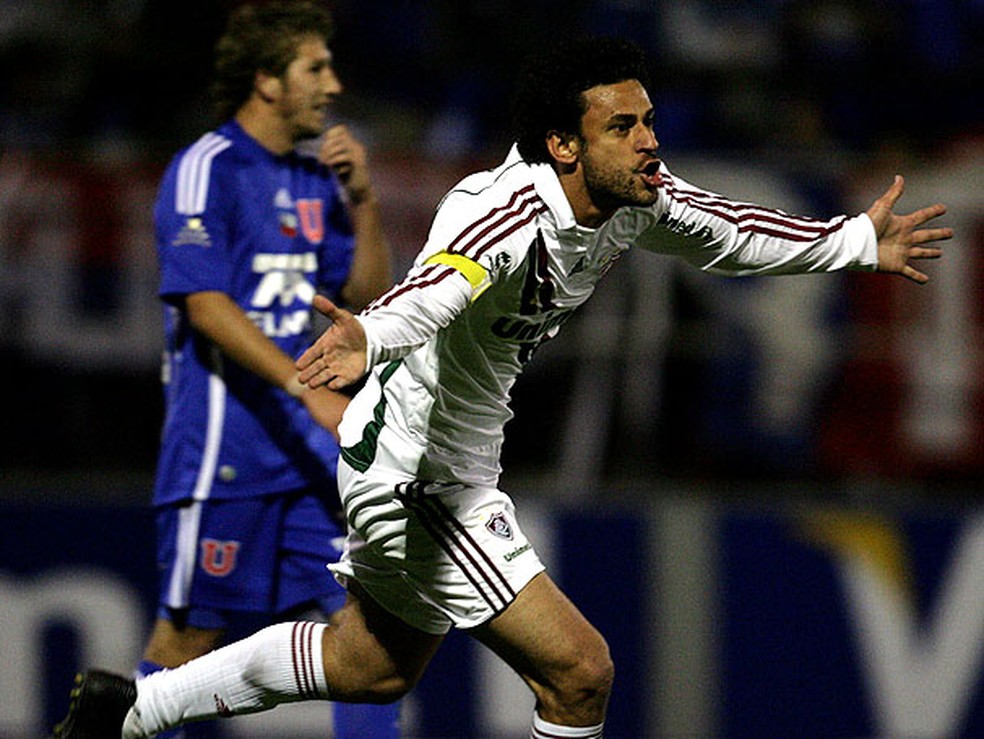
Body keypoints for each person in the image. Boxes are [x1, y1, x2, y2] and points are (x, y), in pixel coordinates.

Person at [55, 35, 952, 739]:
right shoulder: (504, 215)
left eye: (648, 121)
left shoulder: (633, 194)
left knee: (369, 666)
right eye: (623, 128)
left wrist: (856, 243)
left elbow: (724, 230)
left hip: (425, 454)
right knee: (581, 670)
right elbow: (434, 285)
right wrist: (369, 332)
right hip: (420, 476)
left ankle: (131, 710)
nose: (649, 142)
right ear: (563, 145)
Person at [53, 2, 398, 738]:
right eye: (316, 67)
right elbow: (205, 306)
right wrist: (304, 385)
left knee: (375, 641)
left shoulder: (314, 181)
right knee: (185, 647)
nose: (333, 84)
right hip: (223, 453)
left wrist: (363, 202)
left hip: (309, 458)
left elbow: (367, 299)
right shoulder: (203, 168)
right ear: (267, 80)